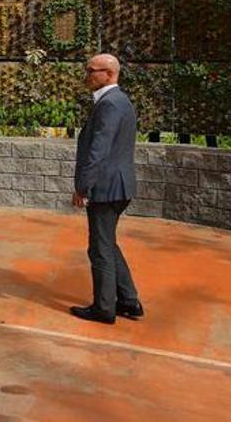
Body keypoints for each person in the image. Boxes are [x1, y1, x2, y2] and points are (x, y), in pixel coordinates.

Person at [70, 53, 143, 324]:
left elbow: (98, 151)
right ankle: (128, 300)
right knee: (107, 244)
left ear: (109, 74)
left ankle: (104, 308)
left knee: (99, 248)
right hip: (118, 185)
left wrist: (82, 187)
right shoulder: (117, 101)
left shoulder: (110, 104)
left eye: (92, 70)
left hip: (107, 187)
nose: (87, 74)